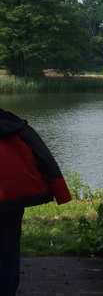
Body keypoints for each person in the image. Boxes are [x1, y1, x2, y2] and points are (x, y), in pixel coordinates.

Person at [0, 108, 72, 296]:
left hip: (11, 198)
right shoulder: (16, 125)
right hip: (14, 198)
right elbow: (44, 157)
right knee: (9, 250)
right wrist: (61, 193)